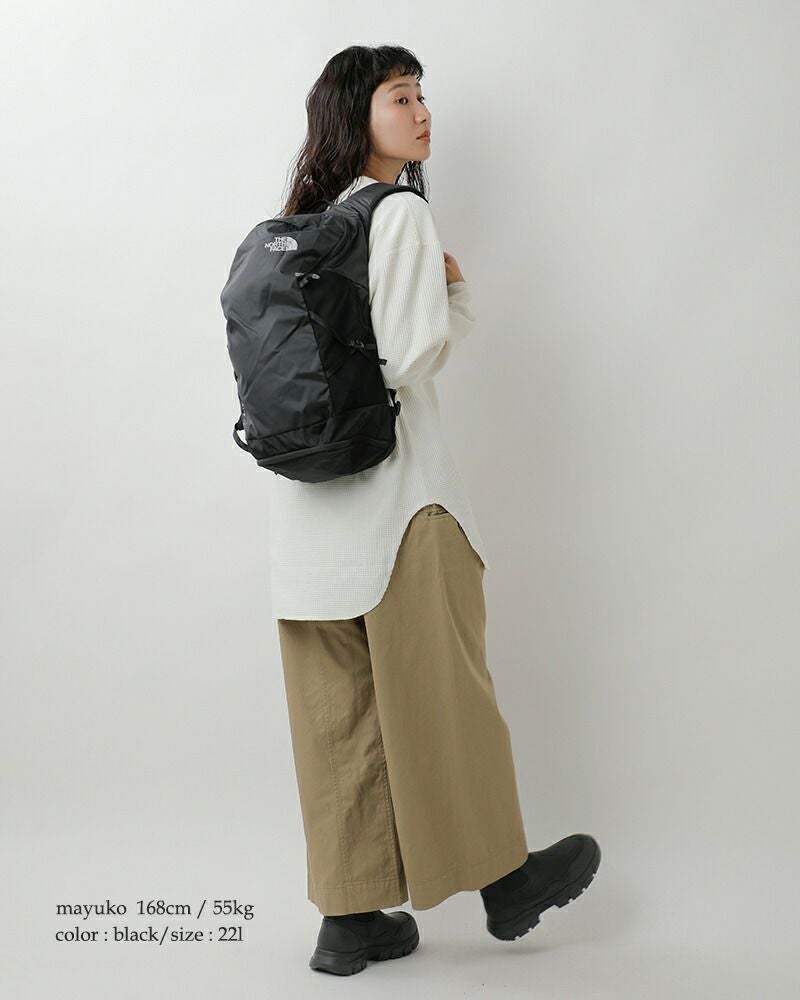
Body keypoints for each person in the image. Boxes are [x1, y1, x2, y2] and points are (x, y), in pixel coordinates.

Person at [270, 44, 601, 976]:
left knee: (336, 723)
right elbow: (411, 356)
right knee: (448, 696)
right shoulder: (398, 212)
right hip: (401, 506)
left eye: (423, 97)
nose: (421, 114)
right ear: (358, 115)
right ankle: (506, 879)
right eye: (400, 97)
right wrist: (453, 295)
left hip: (306, 521)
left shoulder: (300, 226)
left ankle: (351, 921)